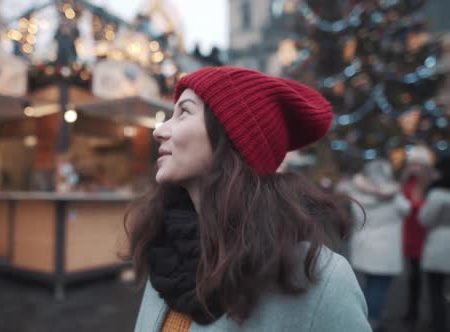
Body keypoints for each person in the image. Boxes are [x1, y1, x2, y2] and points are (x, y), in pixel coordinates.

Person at [124, 67, 371, 331]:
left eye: (184, 111)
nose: (159, 130)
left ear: (232, 138)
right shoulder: (165, 250)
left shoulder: (321, 279)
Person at [347, 159, 410, 330]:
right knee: (379, 289)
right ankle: (371, 323)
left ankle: (361, 320)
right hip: (386, 252)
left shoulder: (358, 194)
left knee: (366, 287)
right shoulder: (394, 196)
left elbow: (356, 216)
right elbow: (407, 209)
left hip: (364, 248)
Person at [401, 146, 434, 322]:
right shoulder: (406, 182)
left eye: (417, 164)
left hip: (425, 236)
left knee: (427, 278)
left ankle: (434, 315)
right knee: (413, 277)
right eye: (411, 163)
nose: (413, 167)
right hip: (409, 234)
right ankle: (412, 311)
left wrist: (415, 200)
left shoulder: (430, 185)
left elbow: (427, 209)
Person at [419, 156, 450, 332]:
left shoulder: (437, 195)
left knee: (436, 292)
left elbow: (425, 219)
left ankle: (439, 325)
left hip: (438, 247)